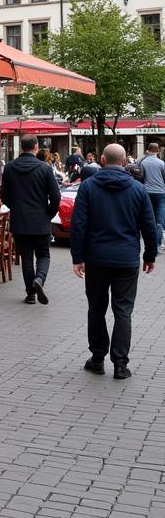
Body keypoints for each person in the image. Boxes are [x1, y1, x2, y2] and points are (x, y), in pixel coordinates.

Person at [71, 143, 157, 379]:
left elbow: (79, 224)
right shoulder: (138, 190)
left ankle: (97, 358)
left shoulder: (88, 187)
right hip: (126, 259)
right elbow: (149, 227)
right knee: (123, 311)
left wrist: (77, 257)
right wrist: (149, 256)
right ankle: (121, 364)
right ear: (123, 162)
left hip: (96, 258)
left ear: (101, 159)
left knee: (96, 309)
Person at [0, 134, 61, 305]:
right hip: (40, 219)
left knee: (26, 257)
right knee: (43, 254)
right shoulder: (44, 168)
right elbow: (56, 197)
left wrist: (16, 208)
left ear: (21, 148)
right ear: (36, 147)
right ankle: (39, 279)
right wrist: (48, 213)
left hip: (20, 220)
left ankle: (30, 294)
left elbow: (4, 196)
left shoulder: (10, 168)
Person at [138, 141, 165, 248]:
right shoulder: (161, 163)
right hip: (161, 193)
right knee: (160, 220)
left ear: (148, 150)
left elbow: (141, 177)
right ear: (158, 151)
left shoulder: (144, 162)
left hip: (147, 192)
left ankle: (149, 244)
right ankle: (156, 245)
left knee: (150, 219)